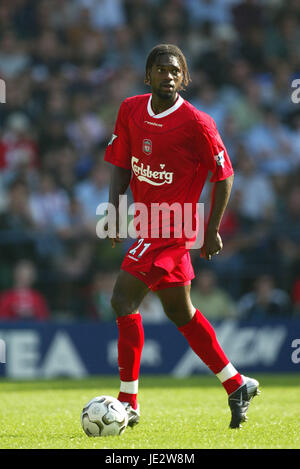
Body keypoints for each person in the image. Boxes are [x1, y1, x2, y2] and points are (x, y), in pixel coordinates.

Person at [104, 44, 259, 430]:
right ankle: (236, 383)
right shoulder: (130, 110)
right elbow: (122, 163)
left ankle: (128, 402)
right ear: (148, 76)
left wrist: (211, 230)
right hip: (144, 222)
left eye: (175, 71)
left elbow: (225, 176)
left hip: (174, 228)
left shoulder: (197, 122)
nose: (168, 76)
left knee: (122, 298)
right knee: (179, 312)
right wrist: (113, 210)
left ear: (183, 78)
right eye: (160, 70)